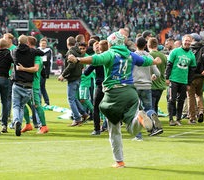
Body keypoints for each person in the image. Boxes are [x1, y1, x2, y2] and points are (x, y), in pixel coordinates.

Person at [67, 31, 162, 168]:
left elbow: (95, 59)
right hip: (130, 93)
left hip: (114, 95)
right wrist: (155, 61)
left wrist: (78, 60)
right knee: (131, 128)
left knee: (114, 130)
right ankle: (140, 119)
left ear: (111, 43)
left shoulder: (110, 54)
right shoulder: (130, 54)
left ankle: (119, 161)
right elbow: (144, 61)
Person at [11, 35, 44, 136]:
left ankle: (17, 121)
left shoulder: (14, 51)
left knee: (16, 106)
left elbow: (12, 55)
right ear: (27, 43)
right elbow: (41, 52)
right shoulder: (32, 52)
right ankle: (22, 124)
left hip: (17, 83)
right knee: (22, 106)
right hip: (29, 85)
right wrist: (32, 50)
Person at [133, 36, 163, 140]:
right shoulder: (149, 57)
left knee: (136, 111)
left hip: (135, 85)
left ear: (135, 45)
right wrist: (153, 77)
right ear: (145, 45)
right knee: (149, 108)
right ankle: (155, 124)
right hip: (147, 85)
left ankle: (138, 135)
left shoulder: (132, 56)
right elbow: (158, 73)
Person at [165, 34, 197, 126]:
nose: (187, 42)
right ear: (182, 41)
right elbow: (169, 65)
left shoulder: (191, 55)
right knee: (172, 99)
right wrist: (167, 77)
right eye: (186, 41)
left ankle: (178, 119)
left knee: (181, 100)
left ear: (191, 42)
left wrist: (189, 83)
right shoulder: (175, 51)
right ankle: (171, 119)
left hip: (184, 81)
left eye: (189, 41)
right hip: (174, 79)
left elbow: (192, 70)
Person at [58, 36, 89, 127]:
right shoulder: (78, 51)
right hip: (78, 77)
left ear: (67, 44)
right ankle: (84, 113)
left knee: (70, 99)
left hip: (73, 78)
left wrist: (63, 75)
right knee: (74, 98)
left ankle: (77, 118)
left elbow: (71, 65)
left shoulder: (71, 52)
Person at [21, 36, 49, 134]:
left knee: (37, 105)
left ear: (28, 43)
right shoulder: (32, 54)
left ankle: (44, 126)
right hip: (28, 83)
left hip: (33, 85)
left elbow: (36, 69)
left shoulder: (36, 56)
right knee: (22, 103)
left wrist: (23, 69)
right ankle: (28, 124)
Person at [83, 40, 105, 135]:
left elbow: (87, 72)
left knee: (96, 107)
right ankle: (110, 125)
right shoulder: (113, 56)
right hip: (112, 85)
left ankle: (97, 129)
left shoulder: (97, 58)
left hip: (100, 85)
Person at [187, 33, 204, 124]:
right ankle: (201, 111)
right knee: (199, 95)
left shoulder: (188, 49)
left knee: (190, 97)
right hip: (200, 75)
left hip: (190, 76)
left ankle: (192, 117)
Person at [149, 38, 168, 115]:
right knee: (156, 104)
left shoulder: (149, 55)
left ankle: (153, 121)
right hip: (161, 84)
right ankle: (155, 118)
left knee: (151, 105)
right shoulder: (163, 56)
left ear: (148, 45)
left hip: (152, 84)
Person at [38, 38, 51, 106]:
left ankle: (39, 102)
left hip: (44, 72)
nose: (43, 44)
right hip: (38, 71)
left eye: (44, 43)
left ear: (46, 44)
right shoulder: (37, 50)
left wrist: (39, 59)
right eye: (42, 43)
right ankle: (47, 102)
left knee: (40, 87)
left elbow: (46, 60)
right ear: (40, 44)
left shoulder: (48, 51)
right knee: (42, 87)